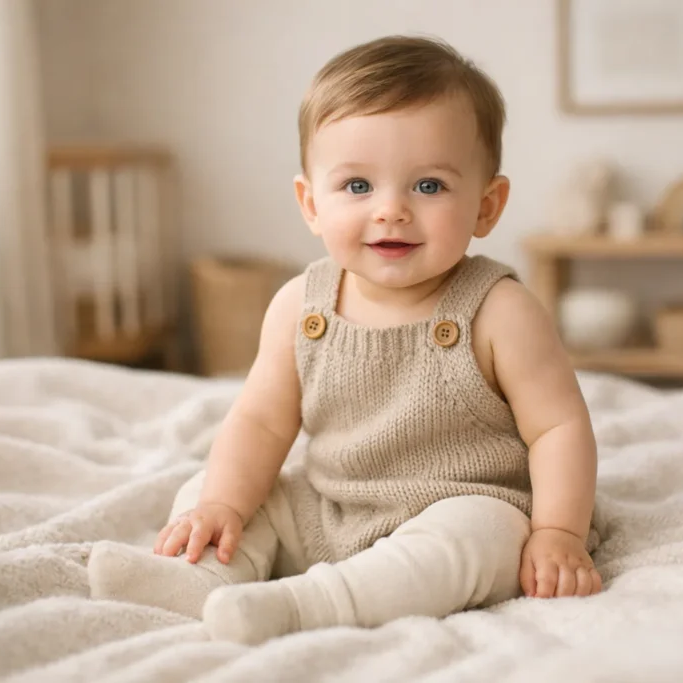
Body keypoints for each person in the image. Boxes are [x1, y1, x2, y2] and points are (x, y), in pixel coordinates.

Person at [87, 34, 602, 645]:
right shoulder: (298, 307)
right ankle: (202, 578)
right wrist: (223, 503)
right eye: (358, 187)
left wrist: (558, 534)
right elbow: (259, 423)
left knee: (484, 540)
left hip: (458, 504)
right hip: (328, 507)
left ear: (487, 206)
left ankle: (311, 605)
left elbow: (559, 429)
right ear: (311, 202)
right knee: (212, 490)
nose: (391, 210)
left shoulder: (499, 310)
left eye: (429, 186)